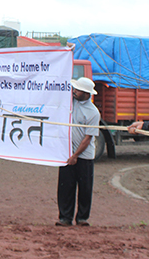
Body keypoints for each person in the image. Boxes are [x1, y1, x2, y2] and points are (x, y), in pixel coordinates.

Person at [57, 77, 100, 226]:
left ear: (86, 94)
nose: (74, 92)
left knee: (85, 187)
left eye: (78, 90)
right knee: (65, 186)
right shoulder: (70, 103)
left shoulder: (93, 113)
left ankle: (82, 218)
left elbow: (88, 138)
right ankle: (65, 217)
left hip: (84, 156)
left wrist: (75, 155)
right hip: (67, 153)